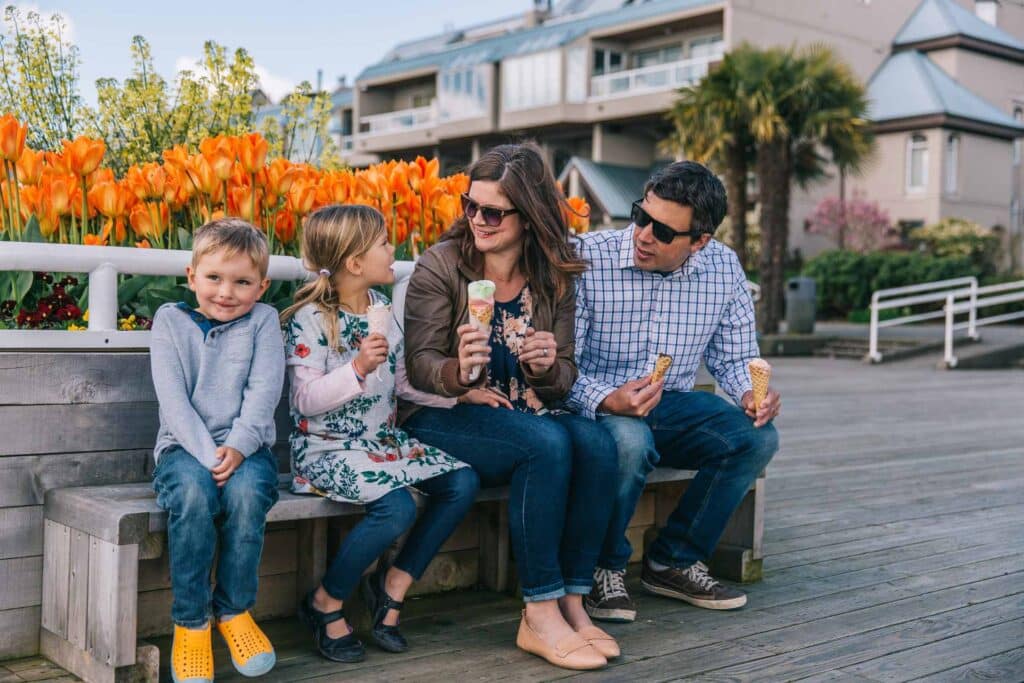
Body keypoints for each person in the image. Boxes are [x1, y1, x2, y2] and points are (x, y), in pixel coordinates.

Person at [401, 143, 619, 671]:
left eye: (493, 211)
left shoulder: (552, 275)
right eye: (469, 205)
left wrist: (547, 367)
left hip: (524, 412)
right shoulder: (441, 265)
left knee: (597, 443)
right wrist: (457, 370)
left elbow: (564, 377)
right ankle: (538, 611)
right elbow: (418, 364)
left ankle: (572, 600)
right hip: (444, 415)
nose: (477, 219)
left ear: (529, 215)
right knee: (544, 446)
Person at [567, 161, 781, 624]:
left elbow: (737, 354)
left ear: (699, 241)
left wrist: (751, 392)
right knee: (629, 439)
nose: (643, 234)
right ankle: (603, 568)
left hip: (670, 406)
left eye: (663, 232)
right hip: (593, 407)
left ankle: (674, 561)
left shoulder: (722, 267)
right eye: (640, 216)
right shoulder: (587, 256)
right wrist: (608, 400)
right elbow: (563, 368)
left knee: (758, 436)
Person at [281, 204, 479, 663]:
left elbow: (404, 384)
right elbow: (304, 400)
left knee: (462, 482)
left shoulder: (383, 311)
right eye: (385, 243)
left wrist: (458, 396)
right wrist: (356, 368)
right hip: (326, 449)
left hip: (381, 444)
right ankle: (325, 602)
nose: (394, 250)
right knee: (394, 507)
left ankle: (393, 584)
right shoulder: (311, 319)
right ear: (354, 262)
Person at [150, 218, 284, 682]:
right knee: (193, 495)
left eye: (242, 282)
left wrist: (240, 447)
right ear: (192, 276)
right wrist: (211, 457)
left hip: (249, 450)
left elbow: (265, 391)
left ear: (261, 286)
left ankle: (234, 611)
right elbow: (173, 402)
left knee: (247, 496)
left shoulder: (263, 321)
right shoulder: (170, 321)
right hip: (184, 449)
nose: (226, 292)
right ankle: (191, 622)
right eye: (214, 278)